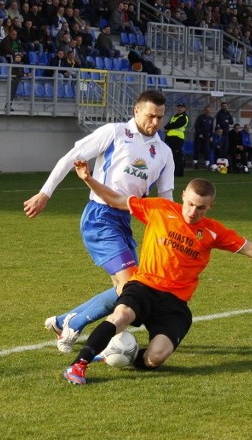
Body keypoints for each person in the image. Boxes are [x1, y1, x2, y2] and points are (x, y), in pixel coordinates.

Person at [62, 165, 252, 385]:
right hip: (143, 286)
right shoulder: (159, 208)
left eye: (201, 208)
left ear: (211, 206)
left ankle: (121, 354)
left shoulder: (214, 231)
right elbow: (114, 199)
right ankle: (79, 364)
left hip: (175, 303)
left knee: (156, 357)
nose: (193, 212)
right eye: (190, 204)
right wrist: (88, 178)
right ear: (183, 196)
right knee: (121, 316)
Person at [24, 90, 175, 353]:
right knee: (130, 285)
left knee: (132, 288)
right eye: (150, 116)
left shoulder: (163, 152)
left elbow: (166, 197)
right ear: (135, 111)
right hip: (100, 217)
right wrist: (45, 193)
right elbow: (70, 158)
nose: (155, 123)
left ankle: (64, 321)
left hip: (126, 220)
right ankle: (76, 323)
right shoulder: (115, 133)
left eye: (160, 117)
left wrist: (171, 231)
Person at [163, 102, 189, 177]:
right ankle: (171, 171)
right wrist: (168, 126)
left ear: (184, 109)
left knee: (177, 155)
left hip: (177, 138)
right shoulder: (175, 116)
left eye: (181, 107)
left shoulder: (184, 117)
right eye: (178, 107)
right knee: (170, 155)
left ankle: (178, 172)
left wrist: (168, 127)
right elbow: (168, 124)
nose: (179, 108)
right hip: (170, 137)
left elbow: (175, 124)